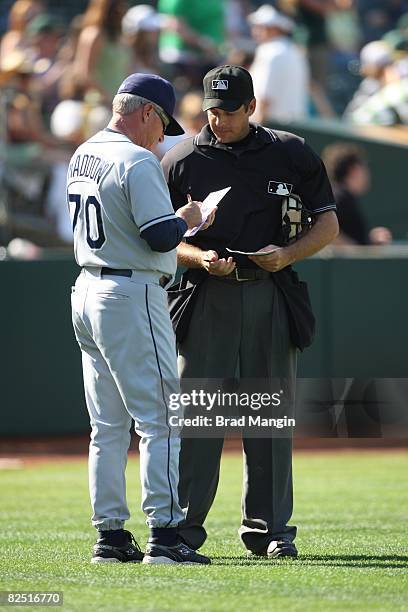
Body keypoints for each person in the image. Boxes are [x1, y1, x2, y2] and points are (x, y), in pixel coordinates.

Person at [161, 64, 339, 558]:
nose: (219, 121)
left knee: (268, 419)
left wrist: (288, 254)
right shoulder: (181, 159)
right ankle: (181, 532)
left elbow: (328, 223)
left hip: (270, 290)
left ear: (252, 107)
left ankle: (271, 532)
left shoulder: (289, 151)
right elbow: (160, 240)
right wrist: (199, 258)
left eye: (230, 111)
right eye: (211, 111)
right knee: (200, 421)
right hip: (206, 295)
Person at [68, 72, 214, 565]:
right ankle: (165, 536)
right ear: (148, 112)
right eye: (162, 124)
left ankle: (109, 537)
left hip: (87, 288)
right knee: (161, 418)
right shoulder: (136, 158)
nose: (163, 137)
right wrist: (192, 217)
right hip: (130, 292)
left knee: (107, 425)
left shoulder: (84, 151)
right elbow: (158, 235)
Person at [247, 4, 309, 123]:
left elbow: (265, 97)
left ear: (275, 29)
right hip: (294, 127)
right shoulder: (294, 51)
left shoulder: (270, 52)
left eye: (262, 26)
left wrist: (256, 132)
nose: (256, 30)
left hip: (271, 127)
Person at [322, 142, 392, 245]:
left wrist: (370, 239)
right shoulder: (339, 197)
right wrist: (353, 249)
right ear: (354, 169)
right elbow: (323, 228)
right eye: (364, 167)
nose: (367, 173)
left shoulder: (342, 196)